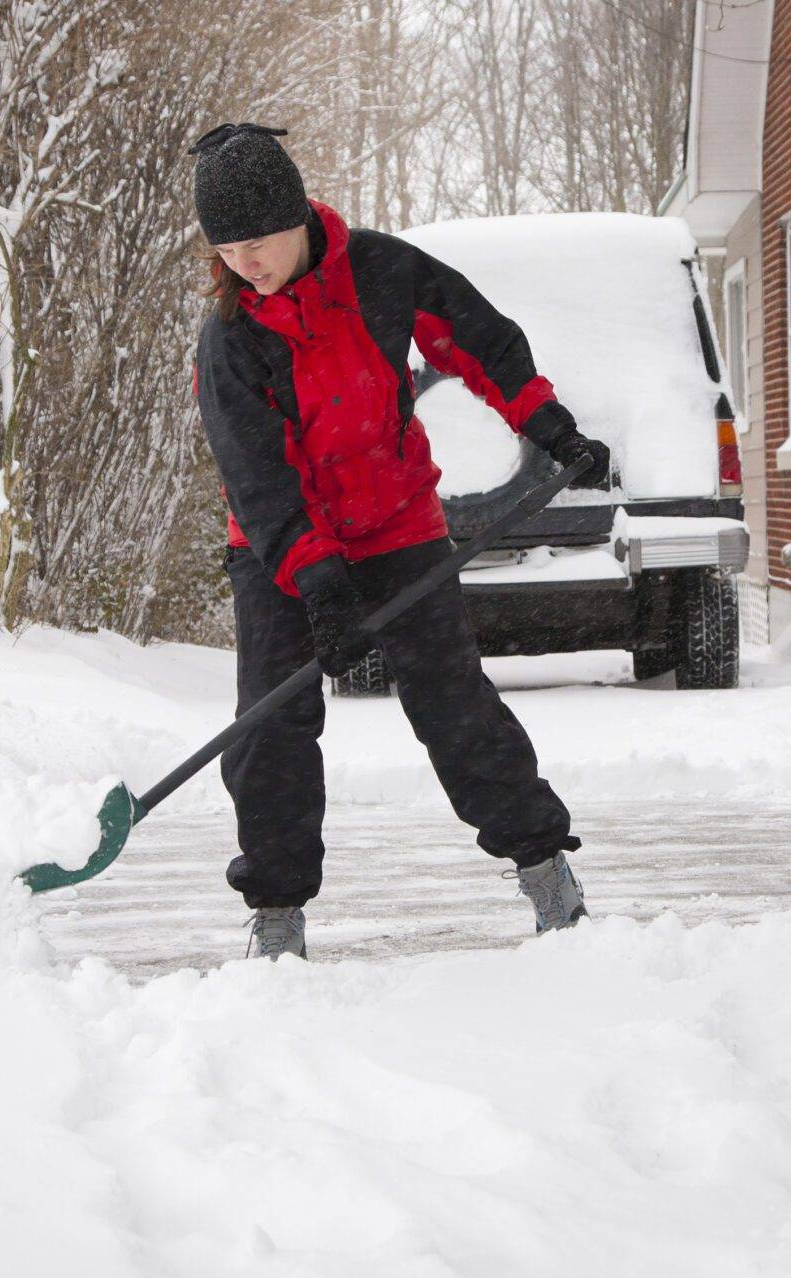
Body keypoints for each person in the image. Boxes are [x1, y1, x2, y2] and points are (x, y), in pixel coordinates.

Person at [188, 122, 609, 961]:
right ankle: (276, 914)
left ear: (298, 217)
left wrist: (546, 421)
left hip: (395, 520)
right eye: (229, 250)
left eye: (260, 242)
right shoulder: (231, 337)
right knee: (271, 727)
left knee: (453, 702)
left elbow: (476, 338)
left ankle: (544, 869)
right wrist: (319, 582)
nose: (249, 265)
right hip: (280, 550)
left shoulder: (382, 270)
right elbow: (258, 477)